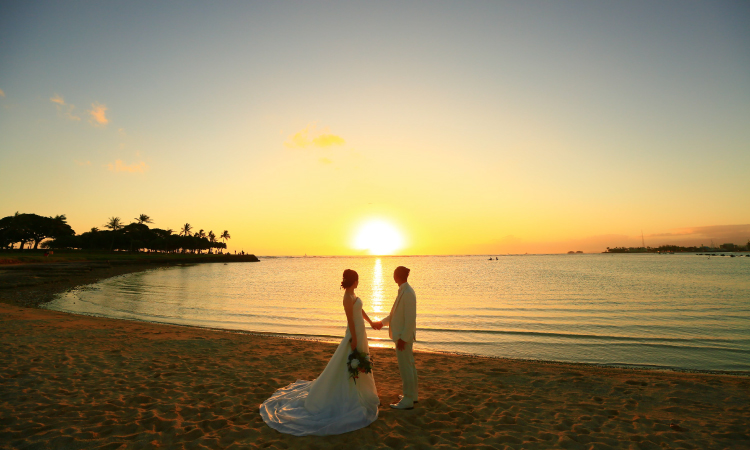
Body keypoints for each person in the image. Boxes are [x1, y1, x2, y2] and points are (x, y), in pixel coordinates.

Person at [259, 269, 380, 435]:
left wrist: (371, 322)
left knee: (361, 361)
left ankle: (364, 392)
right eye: (357, 280)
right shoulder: (346, 297)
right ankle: (350, 395)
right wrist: (354, 338)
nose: (358, 282)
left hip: (361, 331)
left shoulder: (353, 295)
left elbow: (359, 310)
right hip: (355, 333)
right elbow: (350, 319)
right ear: (354, 281)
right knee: (351, 362)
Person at [372, 266, 418, 410]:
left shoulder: (408, 293)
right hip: (402, 336)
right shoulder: (403, 291)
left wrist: (403, 338)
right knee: (409, 365)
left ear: (396, 276)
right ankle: (412, 395)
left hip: (403, 337)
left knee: (406, 368)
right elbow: (395, 315)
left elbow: (410, 319)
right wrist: (382, 323)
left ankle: (408, 399)